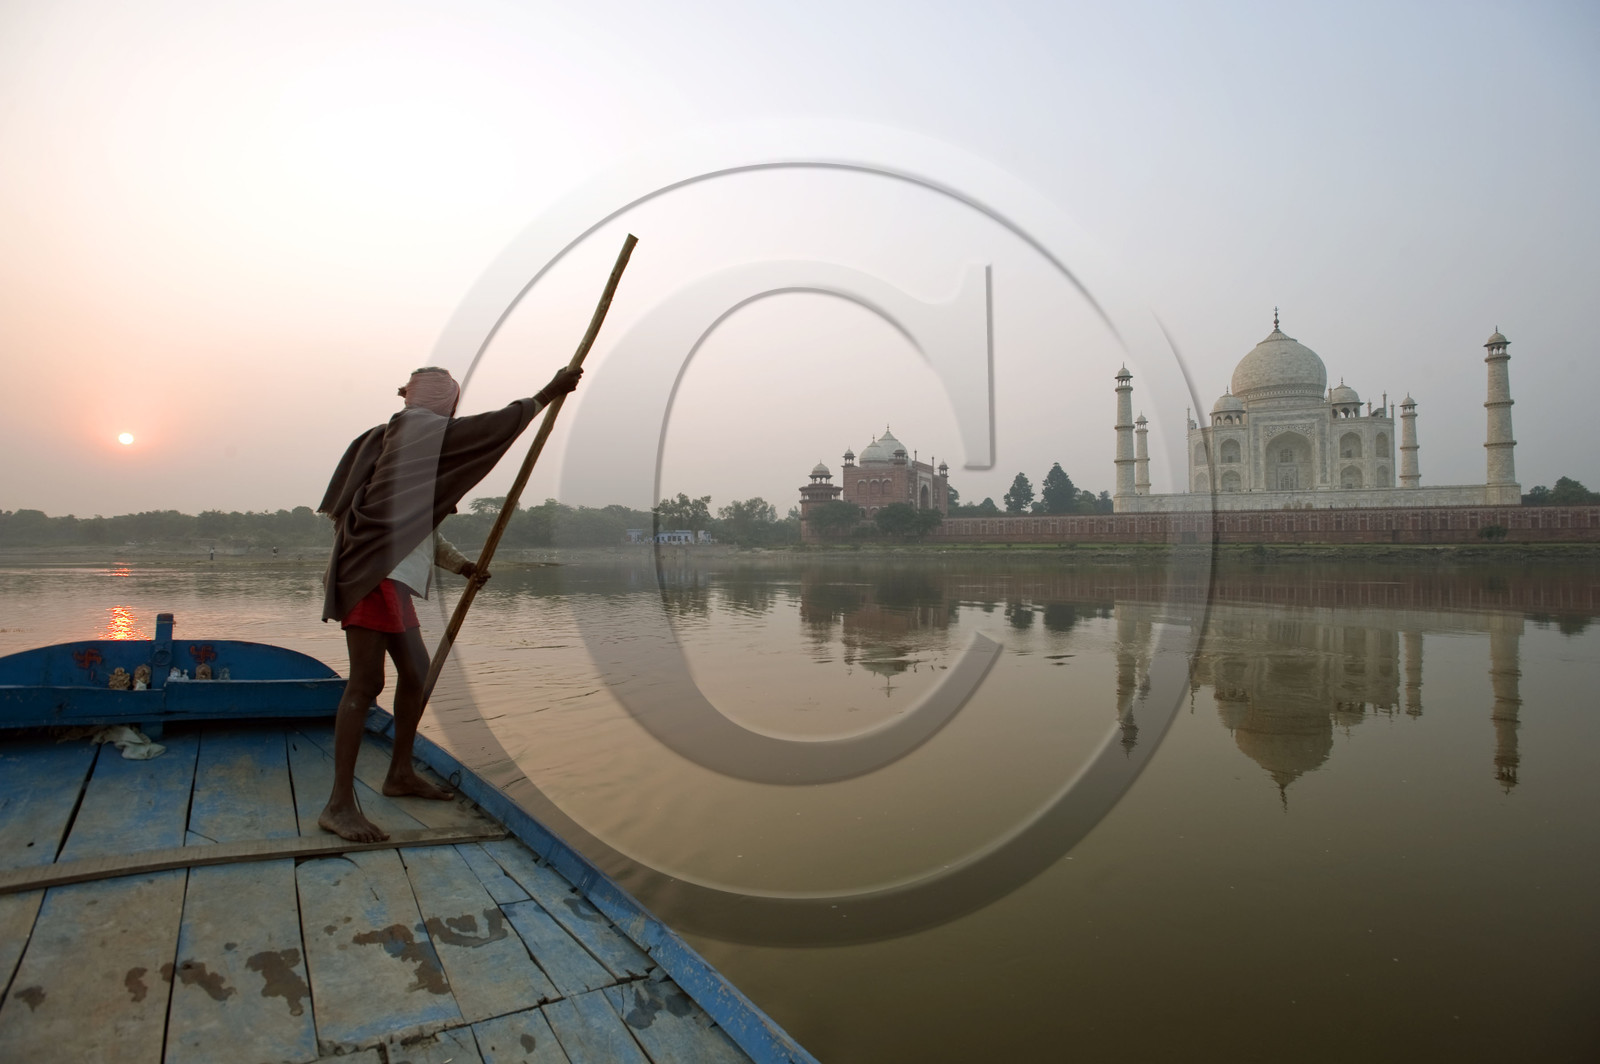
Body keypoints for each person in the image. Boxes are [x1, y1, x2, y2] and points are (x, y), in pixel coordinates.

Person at [316, 363, 581, 841]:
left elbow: (422, 532)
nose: (452, 416)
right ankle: (338, 805)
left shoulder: (414, 451)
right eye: (451, 404)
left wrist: (463, 567)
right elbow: (481, 431)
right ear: (440, 402)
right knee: (366, 685)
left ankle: (399, 774)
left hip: (392, 580)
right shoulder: (411, 428)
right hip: (373, 575)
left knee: (418, 676)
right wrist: (545, 395)